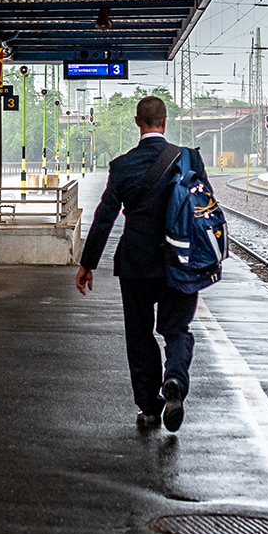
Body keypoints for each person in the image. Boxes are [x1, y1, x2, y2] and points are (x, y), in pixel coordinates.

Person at [74, 95, 213, 432]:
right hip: (180, 261)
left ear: (138, 122)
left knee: (139, 334)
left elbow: (105, 216)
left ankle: (149, 406)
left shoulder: (123, 165)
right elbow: (205, 210)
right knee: (176, 329)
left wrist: (87, 263)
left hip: (136, 261)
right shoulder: (188, 159)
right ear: (164, 122)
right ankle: (175, 379)